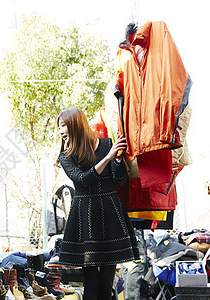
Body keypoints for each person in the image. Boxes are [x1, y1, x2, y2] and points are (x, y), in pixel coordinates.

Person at [56, 107, 139, 300]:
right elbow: (83, 180)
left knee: (107, 278)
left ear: (75, 125)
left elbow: (119, 180)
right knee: (91, 279)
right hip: (85, 215)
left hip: (110, 211)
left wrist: (117, 159)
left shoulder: (107, 144)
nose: (60, 131)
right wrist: (109, 157)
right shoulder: (65, 156)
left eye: (62, 125)